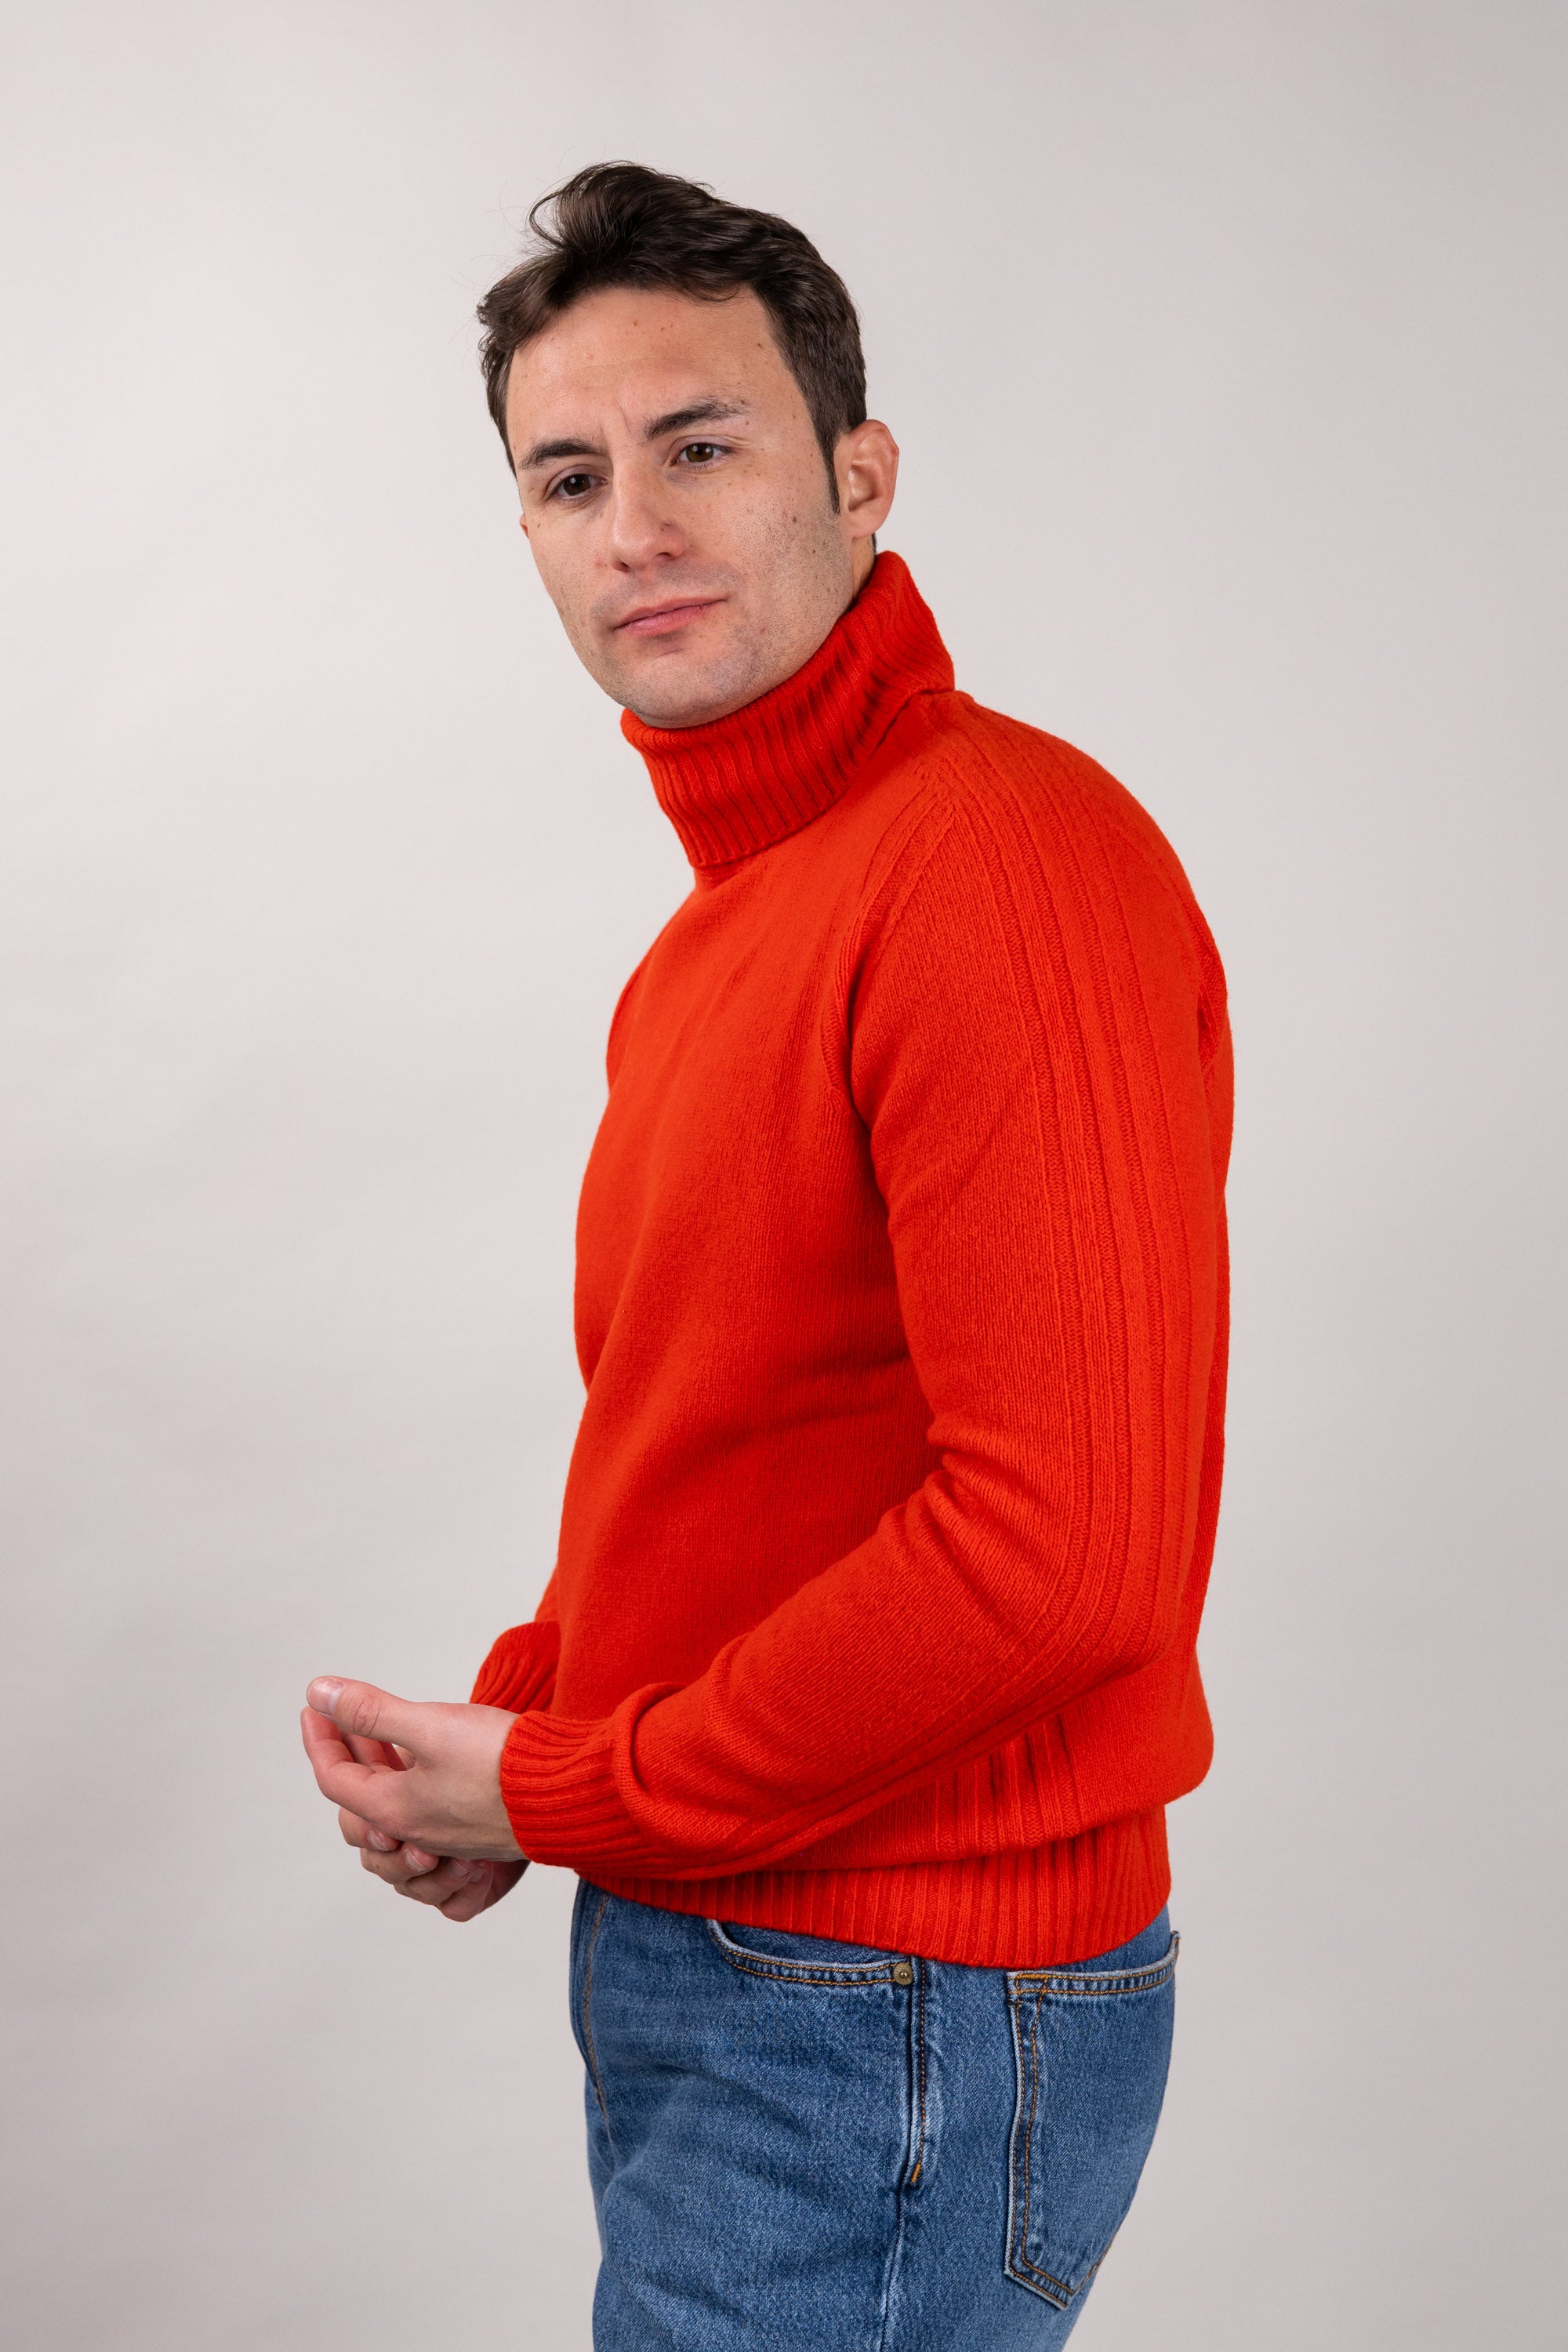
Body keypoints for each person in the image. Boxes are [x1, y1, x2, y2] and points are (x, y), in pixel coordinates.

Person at [301, 162, 1232, 2350]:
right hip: (769, 1964)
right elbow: (744, 1444)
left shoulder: (994, 867)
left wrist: (571, 1781)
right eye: (569, 477)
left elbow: (1064, 1555)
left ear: (859, 475)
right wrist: (529, 1729)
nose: (635, 525)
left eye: (700, 445)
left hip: (887, 1989)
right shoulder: (736, 927)